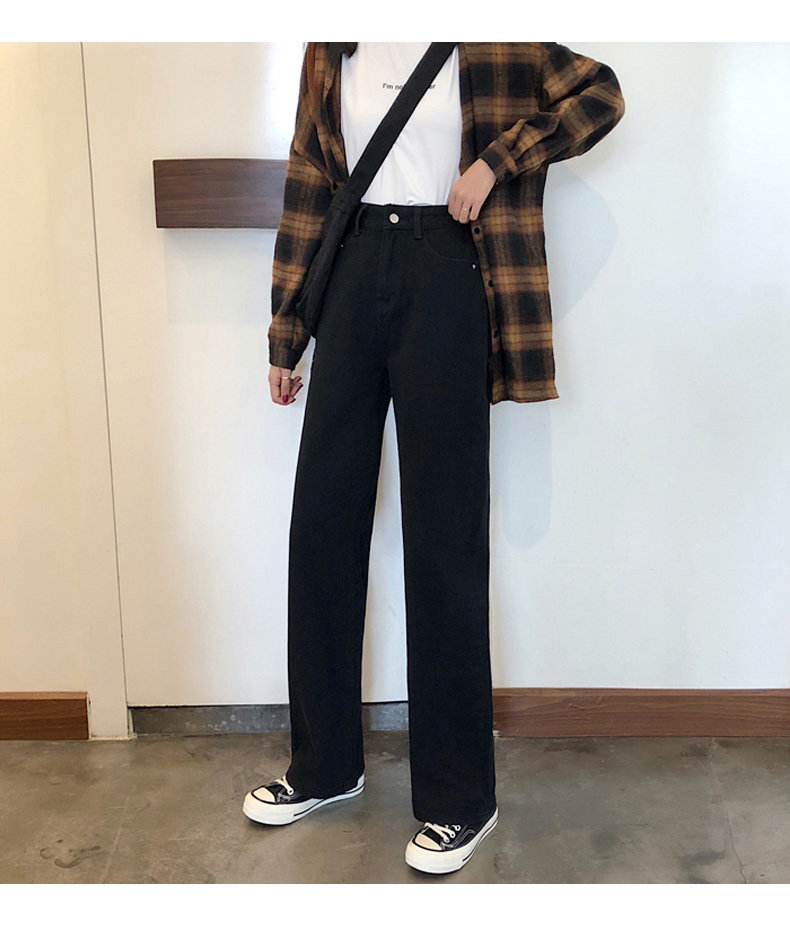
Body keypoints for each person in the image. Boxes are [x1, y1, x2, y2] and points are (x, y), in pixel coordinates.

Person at [243, 41, 625, 876]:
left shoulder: (492, 39)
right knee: (322, 526)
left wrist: (497, 159)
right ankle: (323, 765)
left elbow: (602, 94)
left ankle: (460, 797)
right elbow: (309, 183)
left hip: (449, 269)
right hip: (351, 273)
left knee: (444, 538)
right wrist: (287, 330)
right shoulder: (333, 45)